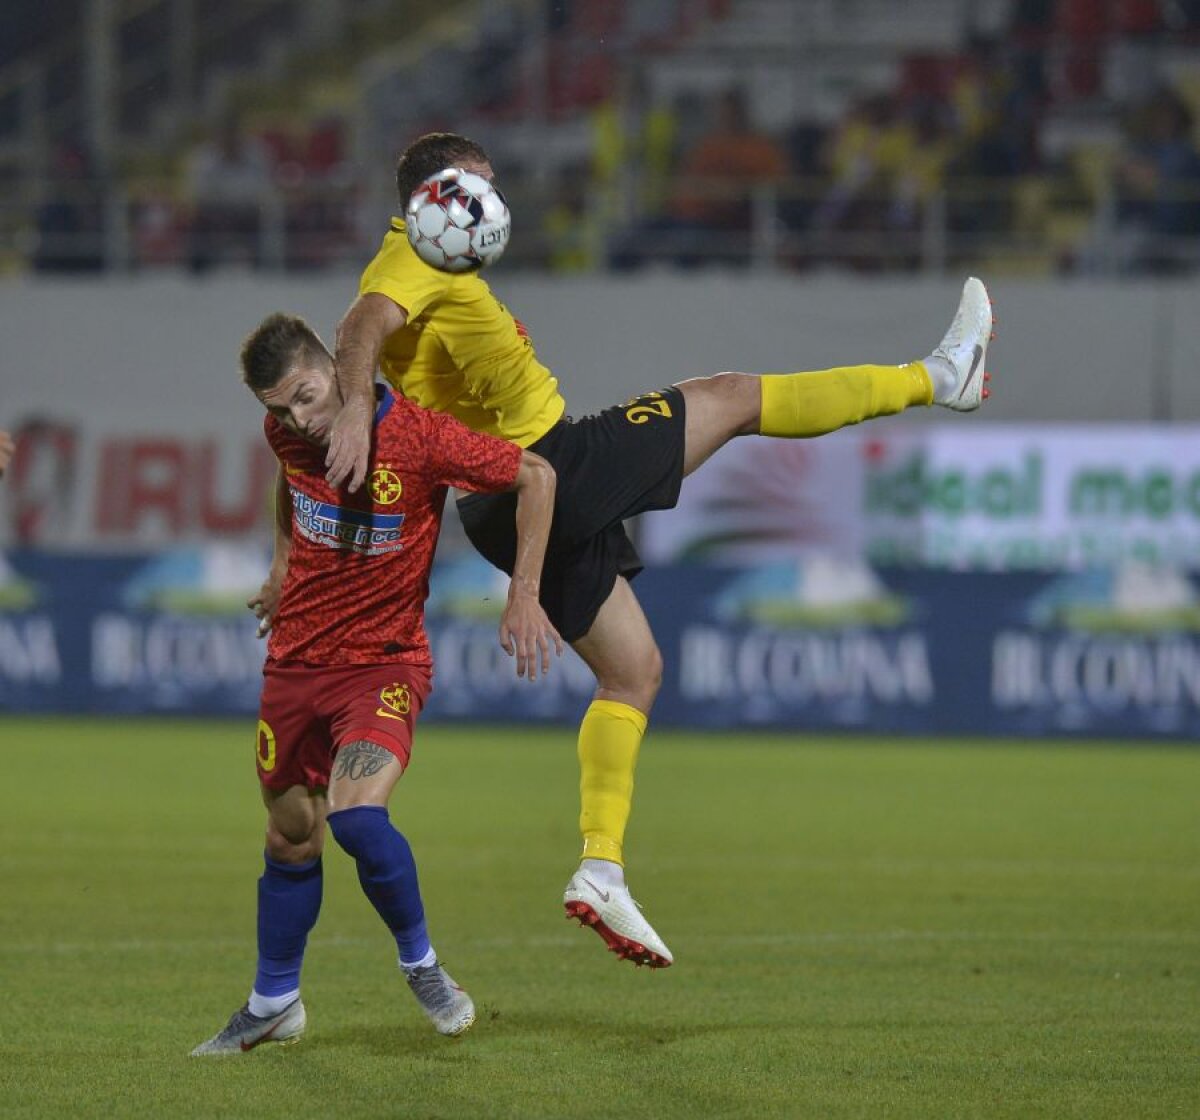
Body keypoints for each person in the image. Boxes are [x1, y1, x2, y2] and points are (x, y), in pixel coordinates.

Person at [324, 132, 995, 970]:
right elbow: (359, 325)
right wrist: (356, 412)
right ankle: (940, 377)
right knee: (732, 398)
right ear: (441, 193)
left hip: (501, 505)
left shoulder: (430, 262)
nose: (497, 204)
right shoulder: (411, 261)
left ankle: (601, 868)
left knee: (633, 673)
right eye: (483, 186)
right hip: (555, 466)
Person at [191, 312, 559, 1054]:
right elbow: (290, 484)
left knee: (356, 817)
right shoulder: (289, 436)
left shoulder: (420, 438)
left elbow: (537, 476)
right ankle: (274, 1003)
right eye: (279, 410)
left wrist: (523, 591)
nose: (299, 420)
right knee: (291, 836)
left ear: (337, 368)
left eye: (305, 396)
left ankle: (423, 966)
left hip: (383, 664)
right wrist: (281, 565)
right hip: (295, 662)